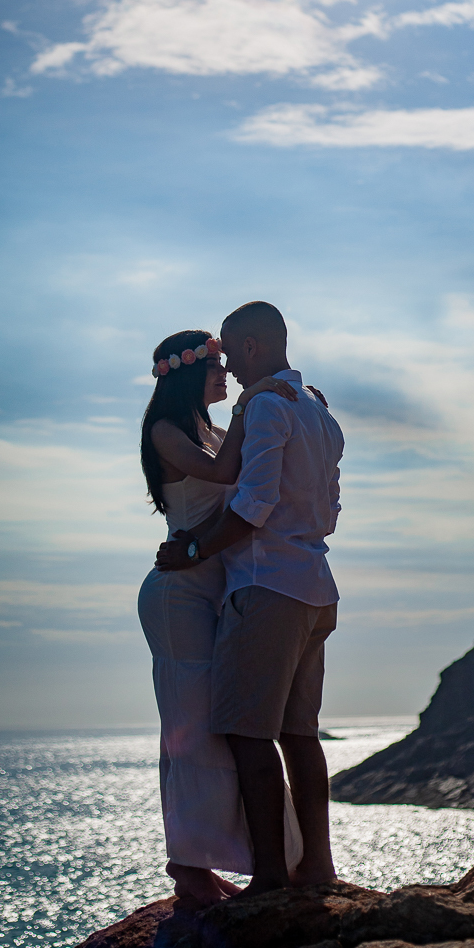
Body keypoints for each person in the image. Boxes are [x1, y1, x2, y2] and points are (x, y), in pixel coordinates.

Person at [156, 302, 344, 896]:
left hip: (265, 586)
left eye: (231, 354)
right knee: (300, 734)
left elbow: (252, 503)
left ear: (253, 347)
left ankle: (269, 878)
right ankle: (316, 867)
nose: (230, 368)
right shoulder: (317, 408)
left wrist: (193, 550)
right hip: (315, 584)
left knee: (249, 734)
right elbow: (330, 506)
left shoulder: (265, 405)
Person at [137, 329, 307, 905]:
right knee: (189, 731)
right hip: (179, 594)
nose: (225, 372)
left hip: (217, 587)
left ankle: (210, 859)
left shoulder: (207, 428)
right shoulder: (166, 430)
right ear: (186, 373)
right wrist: (252, 401)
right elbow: (225, 471)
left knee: (219, 727)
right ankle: (187, 868)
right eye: (213, 365)